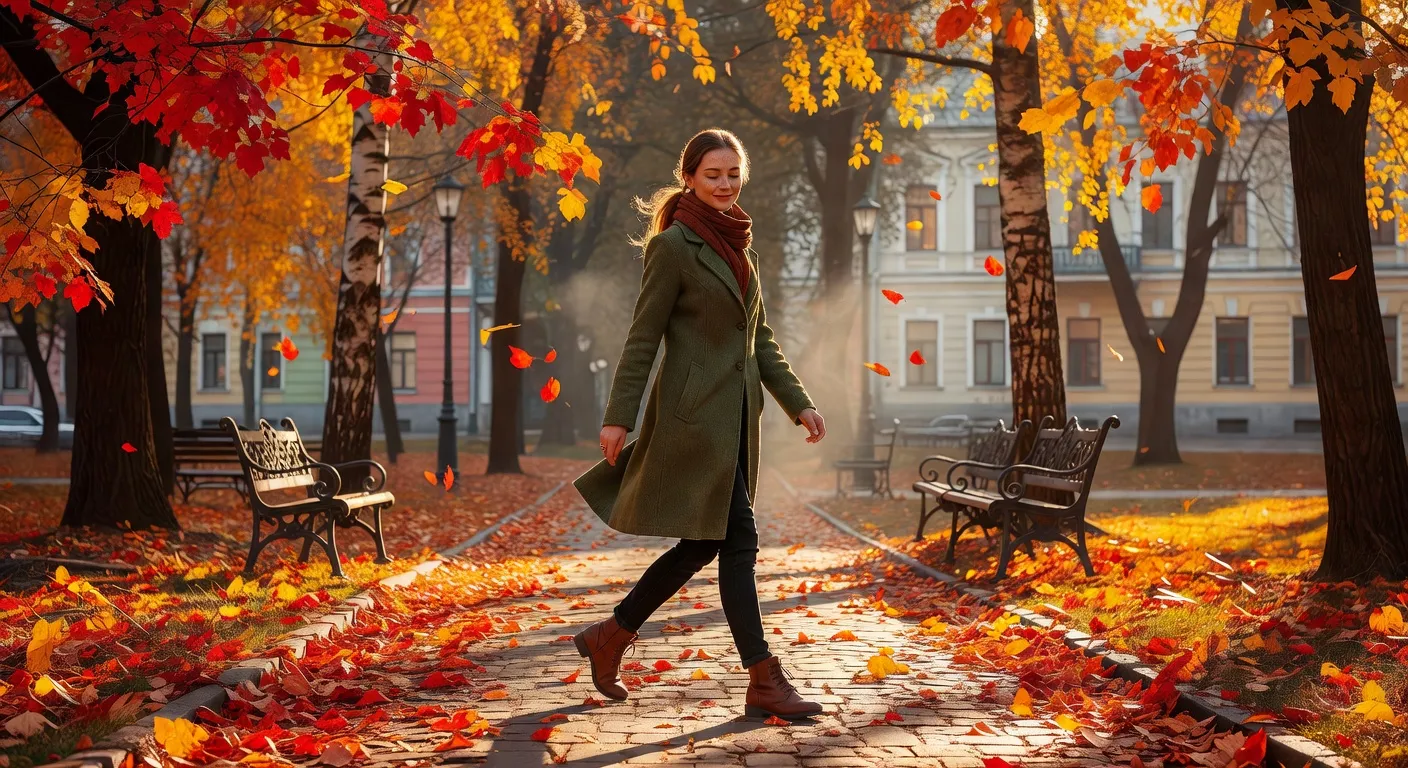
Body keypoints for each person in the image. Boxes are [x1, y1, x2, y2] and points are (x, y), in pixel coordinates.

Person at [571, 128, 828, 721]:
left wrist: (799, 401)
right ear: (689, 177)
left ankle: (611, 635)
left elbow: (758, 338)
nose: (725, 185)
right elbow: (643, 337)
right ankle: (764, 678)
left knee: (706, 543)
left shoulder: (744, 249)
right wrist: (618, 418)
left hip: (738, 422)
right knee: (740, 543)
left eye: (733, 174)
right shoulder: (674, 247)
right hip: (693, 422)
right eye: (713, 174)